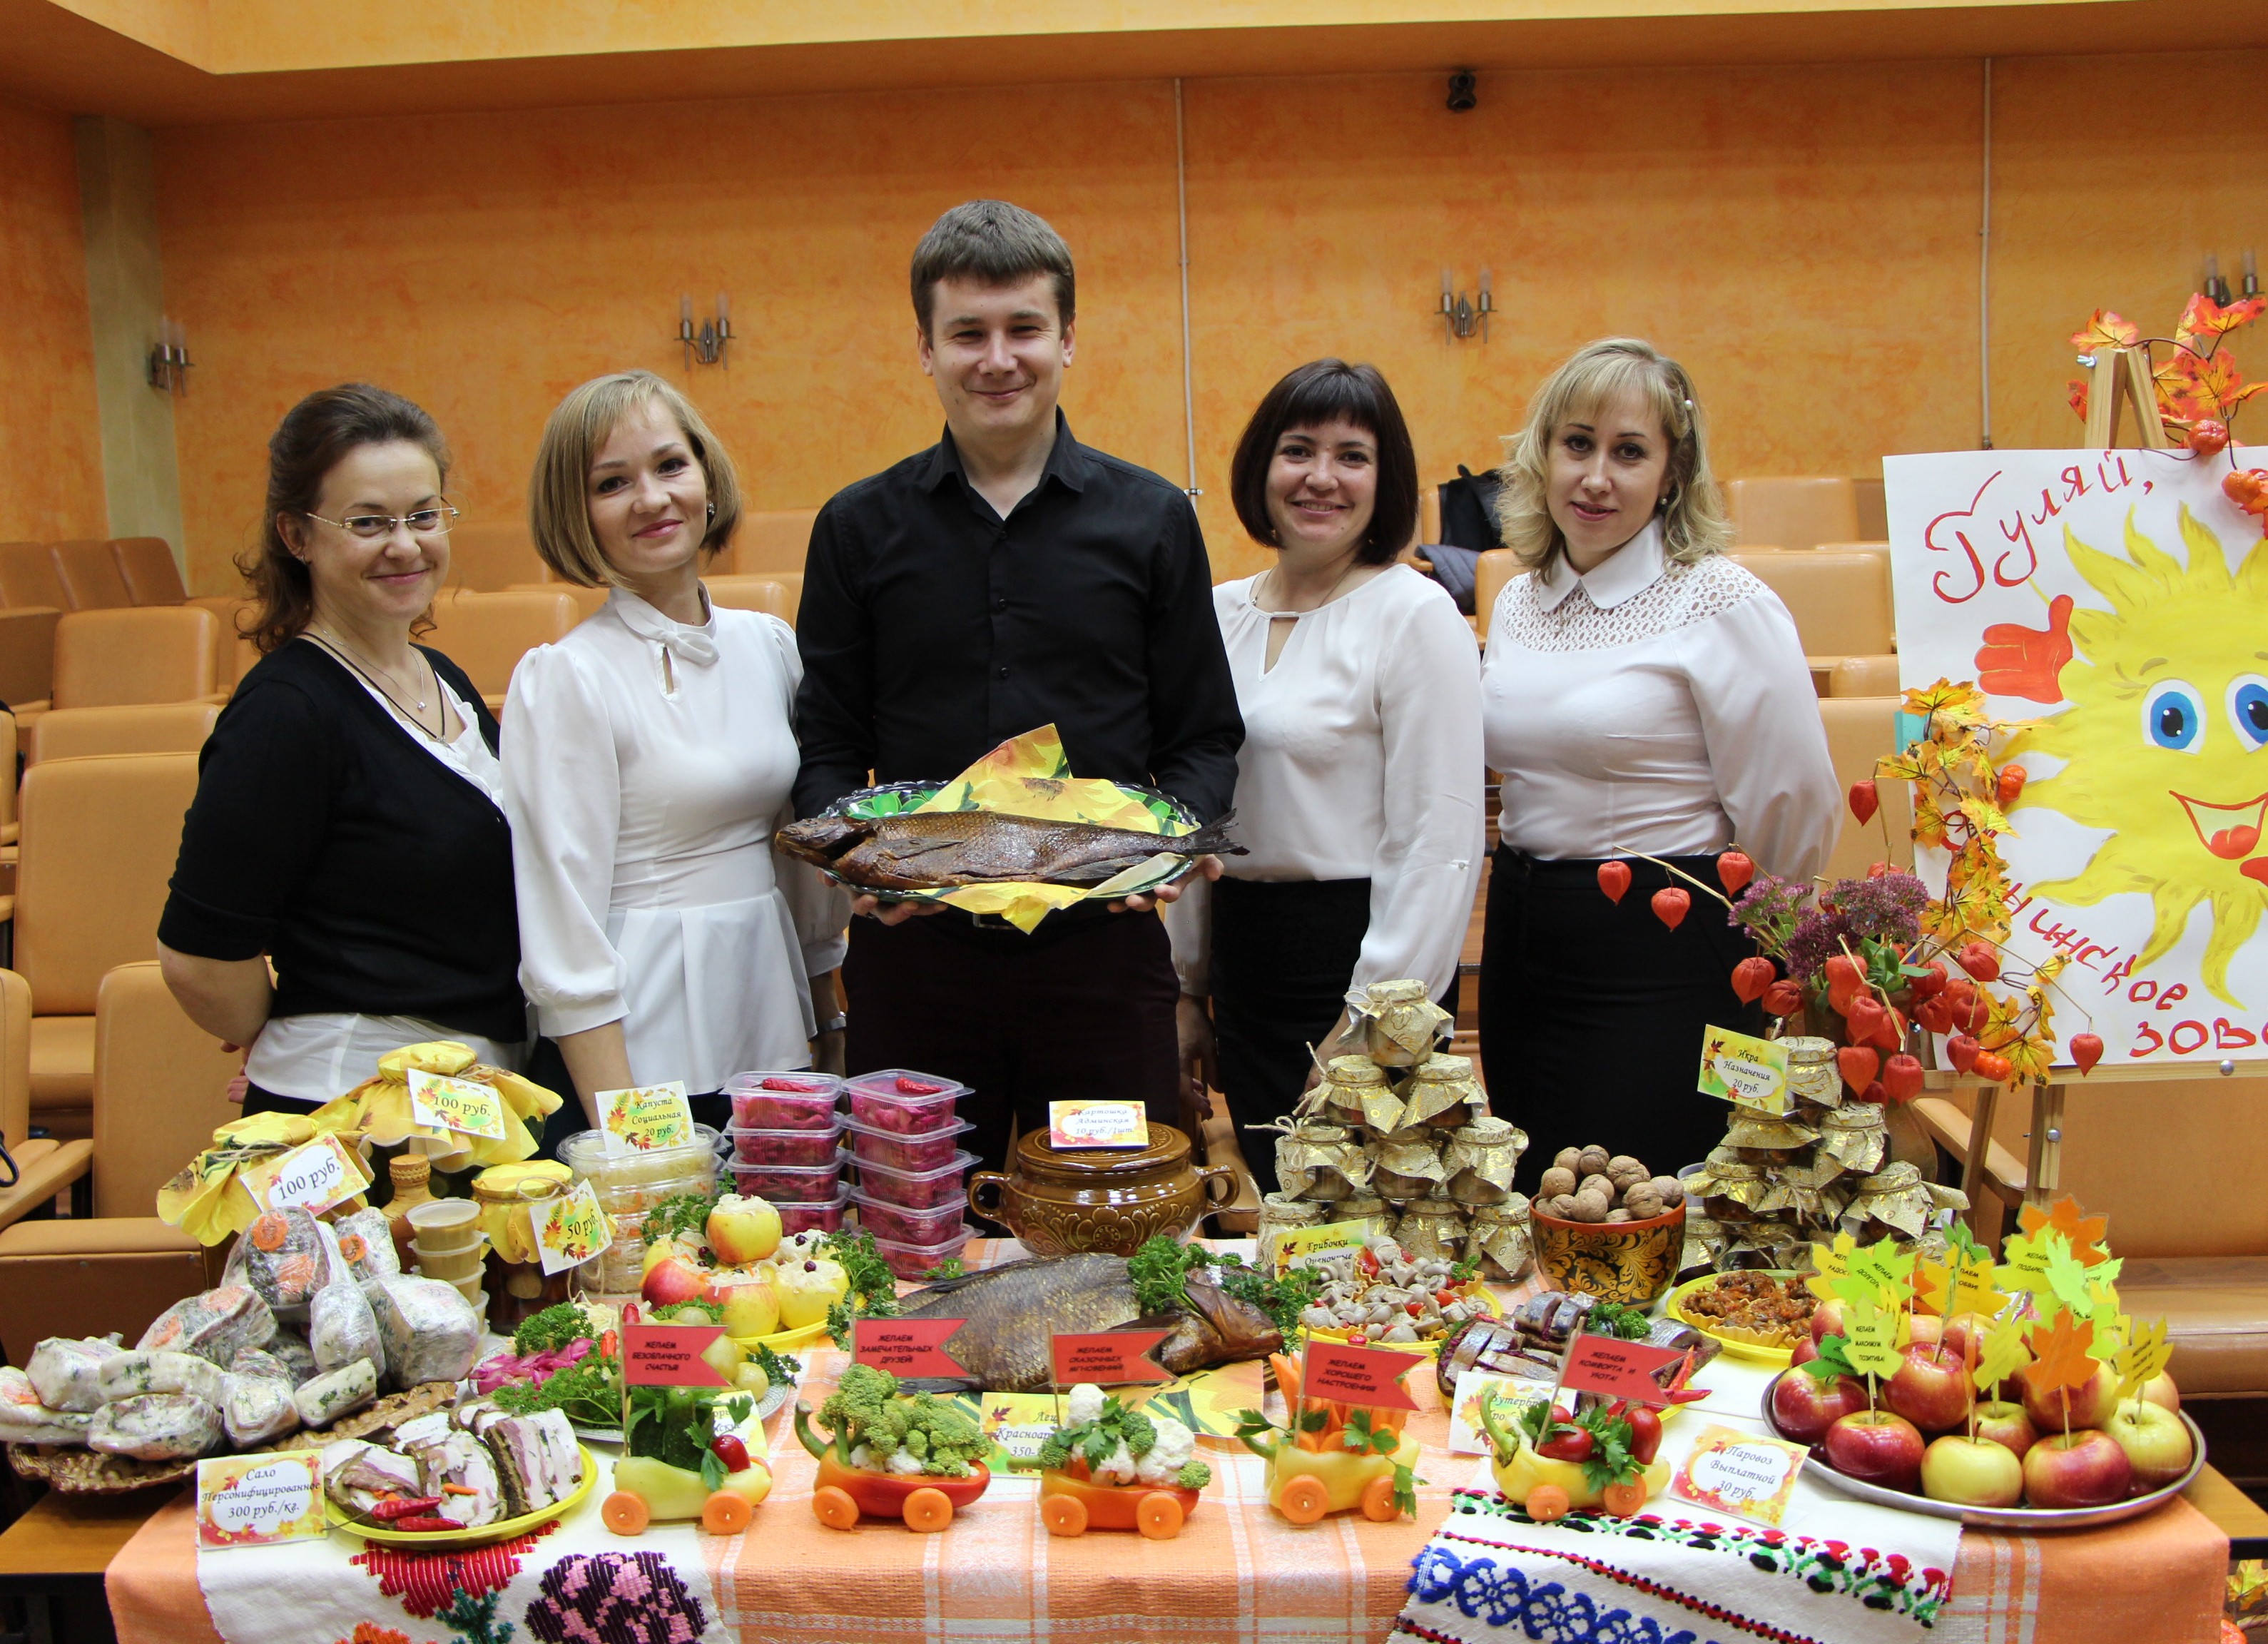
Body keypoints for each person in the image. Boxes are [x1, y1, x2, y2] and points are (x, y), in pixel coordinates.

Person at [793, 198, 1243, 1172]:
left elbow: (1203, 737)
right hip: (915, 961)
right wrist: (857, 864)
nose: (997, 359)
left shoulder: (1152, 521)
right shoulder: (856, 529)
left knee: (1106, 1220)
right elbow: (827, 741)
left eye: (1023, 329)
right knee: (910, 1224)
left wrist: (1164, 848)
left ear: (1066, 338)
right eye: (967, 333)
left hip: (1100, 959)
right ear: (925, 348)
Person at [1476, 338, 1838, 1189]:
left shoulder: (1719, 599)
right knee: (1542, 1191)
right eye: (1577, 444)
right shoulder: (1520, 597)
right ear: (1542, 454)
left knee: (1652, 1197)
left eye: (1629, 452)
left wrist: (1762, 954)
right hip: (1525, 932)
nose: (1595, 477)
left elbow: (1792, 804)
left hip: (1667, 946)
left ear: (1672, 473)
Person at [158, 385, 526, 1113]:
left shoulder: (442, 678)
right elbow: (198, 958)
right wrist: (292, 1035)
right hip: (352, 1112)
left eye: (424, 516)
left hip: (465, 1100)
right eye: (368, 522)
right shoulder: (285, 713)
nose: (405, 545)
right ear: (296, 535)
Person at [503, 372, 848, 1139]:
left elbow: (797, 854)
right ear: (575, 514)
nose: (651, 499)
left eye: (669, 466)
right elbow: (561, 922)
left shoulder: (768, 645)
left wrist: (828, 1020)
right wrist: (630, 1141)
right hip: (636, 1056)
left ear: (707, 479)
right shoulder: (566, 676)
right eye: (611, 483)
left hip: (770, 1017)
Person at [1166, 360, 1484, 1190]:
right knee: (1281, 1218)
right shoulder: (1215, 612)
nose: (1320, 478)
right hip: (1245, 959)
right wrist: (1186, 989)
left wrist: (1370, 1026)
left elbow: (1437, 840)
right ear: (1260, 468)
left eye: (1351, 456)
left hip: (1359, 962)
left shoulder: (1414, 616)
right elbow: (1189, 815)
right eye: (1297, 450)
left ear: (1386, 479)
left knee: (1368, 1225)